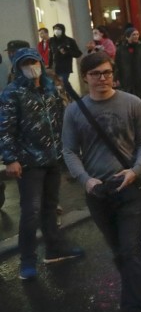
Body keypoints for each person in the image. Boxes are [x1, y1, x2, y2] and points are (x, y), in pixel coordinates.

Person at [62, 51, 141, 312]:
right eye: (96, 74)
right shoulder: (75, 110)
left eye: (107, 73)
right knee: (118, 251)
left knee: (130, 248)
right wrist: (85, 180)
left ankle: (136, 309)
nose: (102, 78)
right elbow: (68, 150)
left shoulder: (132, 103)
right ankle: (134, 292)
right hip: (97, 192)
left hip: (129, 188)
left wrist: (134, 170)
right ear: (85, 77)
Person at [0, 48, 85, 281]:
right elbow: (5, 128)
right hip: (28, 162)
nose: (31, 67)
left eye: (33, 62)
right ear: (18, 67)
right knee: (30, 212)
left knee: (50, 206)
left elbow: (61, 120)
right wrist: (10, 159)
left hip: (52, 157)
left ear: (40, 63)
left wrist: (67, 148)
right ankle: (27, 260)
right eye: (25, 63)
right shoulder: (12, 93)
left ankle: (54, 248)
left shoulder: (50, 89)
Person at [48, 23, 82, 89]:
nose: (56, 31)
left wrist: (67, 51)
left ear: (63, 30)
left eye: (59, 29)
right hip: (55, 67)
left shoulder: (70, 41)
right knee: (60, 86)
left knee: (64, 83)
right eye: (55, 29)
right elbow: (51, 54)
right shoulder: (52, 40)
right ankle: (69, 98)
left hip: (65, 67)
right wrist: (49, 66)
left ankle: (76, 99)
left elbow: (78, 53)